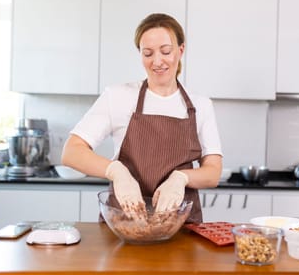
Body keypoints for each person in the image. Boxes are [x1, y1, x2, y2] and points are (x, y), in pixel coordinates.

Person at [61, 13, 223, 223]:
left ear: (180, 50)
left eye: (166, 51)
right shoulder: (118, 97)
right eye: (148, 53)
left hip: (181, 228)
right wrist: (116, 171)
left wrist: (181, 177)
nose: (157, 61)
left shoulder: (201, 105)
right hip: (125, 223)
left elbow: (213, 172)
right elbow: (71, 152)